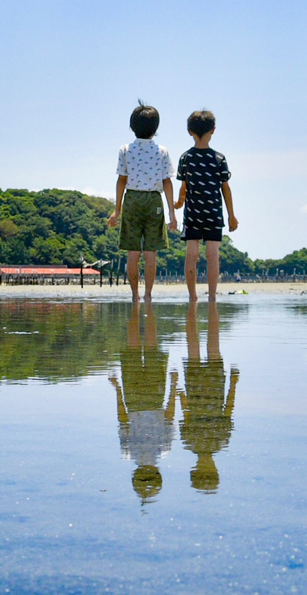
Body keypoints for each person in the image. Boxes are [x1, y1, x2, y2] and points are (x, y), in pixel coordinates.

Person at [107, 103, 179, 302]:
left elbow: (122, 180)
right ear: (156, 128)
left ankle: (134, 295)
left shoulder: (125, 150)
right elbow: (167, 183)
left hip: (132, 198)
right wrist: (173, 215)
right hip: (153, 199)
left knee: (133, 251)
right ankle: (148, 294)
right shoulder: (162, 151)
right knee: (150, 252)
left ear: (132, 126)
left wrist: (117, 210)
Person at [109, 299, 178, 504]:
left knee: (147, 347)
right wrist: (118, 388)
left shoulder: (161, 450)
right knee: (141, 347)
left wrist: (173, 386)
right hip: (138, 397)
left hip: (150, 397)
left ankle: (139, 306)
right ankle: (141, 307)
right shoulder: (129, 452)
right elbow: (123, 418)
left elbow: (168, 415)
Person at [174, 110, 238, 302]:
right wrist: (231, 215)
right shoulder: (219, 158)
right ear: (213, 130)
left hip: (193, 213)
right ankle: (211, 296)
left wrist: (178, 203)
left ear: (189, 131)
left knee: (191, 254)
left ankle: (192, 296)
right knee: (213, 255)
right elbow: (225, 188)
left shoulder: (186, 158)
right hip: (213, 213)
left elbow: (183, 187)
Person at [180, 299, 239, 492]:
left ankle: (201, 309)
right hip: (207, 389)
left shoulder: (219, 441)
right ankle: (207, 309)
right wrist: (233, 383)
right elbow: (226, 409)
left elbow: (187, 413)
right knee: (201, 345)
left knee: (208, 346)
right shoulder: (194, 442)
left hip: (206, 389)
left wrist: (233, 383)